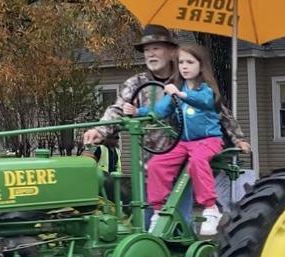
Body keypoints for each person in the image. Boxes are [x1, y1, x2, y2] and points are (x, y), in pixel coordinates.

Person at [81, 25, 251, 213]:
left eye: (156, 48)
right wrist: (100, 130)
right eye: (147, 50)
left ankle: (206, 213)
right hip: (149, 170)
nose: (150, 54)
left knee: (177, 222)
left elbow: (218, 110)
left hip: (182, 169)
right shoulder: (137, 83)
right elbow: (118, 110)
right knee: (149, 221)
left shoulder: (187, 82)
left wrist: (238, 139)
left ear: (171, 52)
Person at [123, 44, 225, 236]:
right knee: (157, 164)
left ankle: (211, 209)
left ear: (201, 66)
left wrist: (180, 94)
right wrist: (137, 112)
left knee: (197, 161)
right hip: (184, 142)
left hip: (208, 140)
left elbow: (202, 101)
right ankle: (158, 211)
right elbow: (160, 111)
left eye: (190, 62)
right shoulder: (178, 89)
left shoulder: (205, 89)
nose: (184, 66)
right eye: (181, 62)